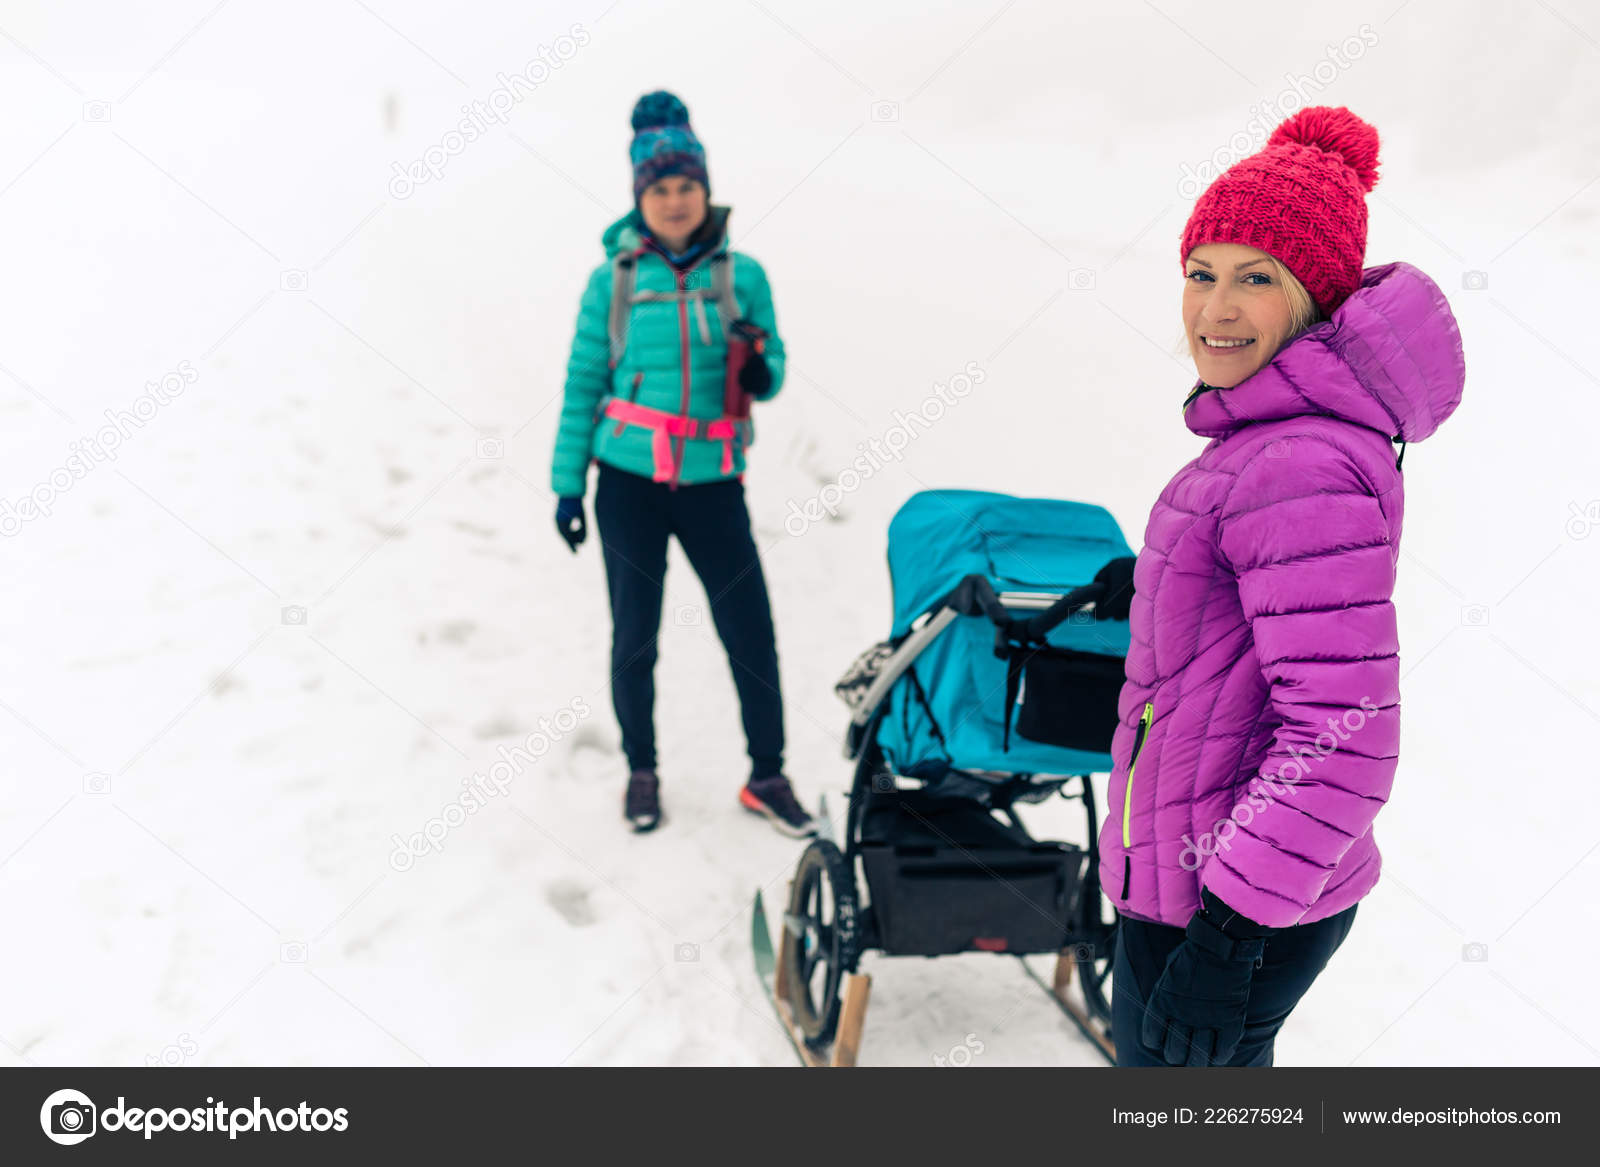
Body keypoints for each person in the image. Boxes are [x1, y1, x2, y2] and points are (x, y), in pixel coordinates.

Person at [1098, 107, 1466, 1066]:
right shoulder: (1276, 438)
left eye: (1257, 278)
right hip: (1212, 871)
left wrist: (1225, 938)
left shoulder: (1295, 460)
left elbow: (1346, 736)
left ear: (1315, 298)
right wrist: (1159, 591)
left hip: (1228, 897)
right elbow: (1266, 632)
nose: (1216, 309)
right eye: (1201, 273)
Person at [550, 90, 815, 839]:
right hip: (627, 485)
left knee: (749, 630)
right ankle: (642, 768)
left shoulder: (742, 275)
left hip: (712, 485)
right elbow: (581, 385)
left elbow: (775, 365)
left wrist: (760, 366)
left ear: (706, 190)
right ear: (640, 196)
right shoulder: (614, 282)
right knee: (635, 634)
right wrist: (568, 486)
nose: (674, 201)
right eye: (659, 189)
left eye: (686, 186)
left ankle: (768, 773)